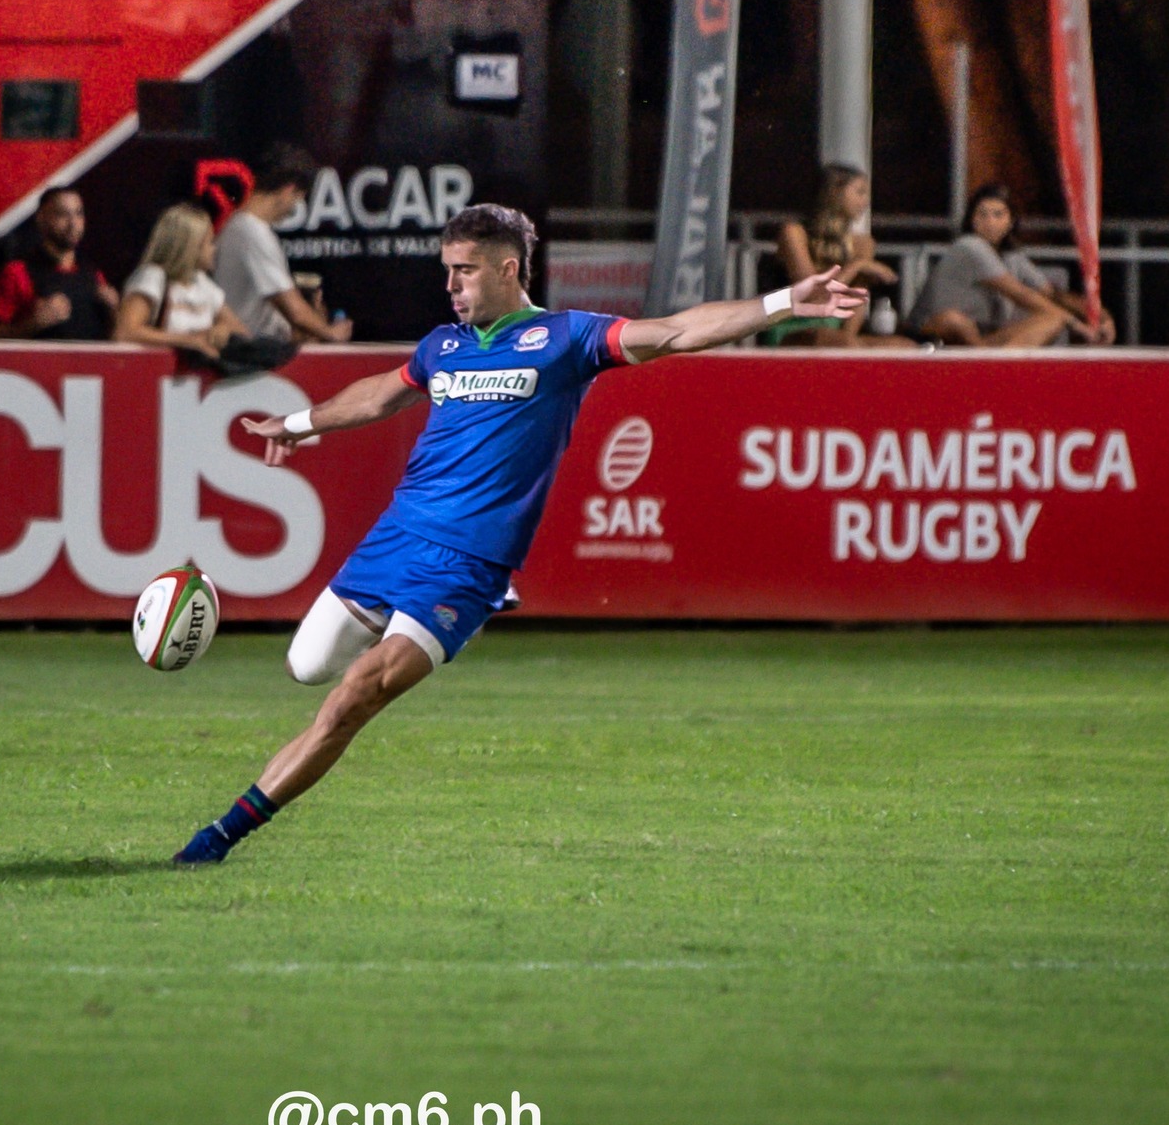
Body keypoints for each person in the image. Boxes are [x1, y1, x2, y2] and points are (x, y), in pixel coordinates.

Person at [171, 202, 863, 865]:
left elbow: (678, 329)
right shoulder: (444, 346)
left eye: (464, 271)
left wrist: (780, 303)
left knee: (352, 699)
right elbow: (383, 392)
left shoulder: (568, 339)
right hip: (392, 541)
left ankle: (219, 835)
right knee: (306, 665)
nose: (450, 286)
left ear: (508, 269)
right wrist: (297, 426)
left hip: (466, 566)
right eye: (446, 270)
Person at [908, 183, 1114, 347]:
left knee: (1053, 319)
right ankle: (994, 369)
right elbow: (1021, 294)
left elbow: (1052, 293)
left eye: (998, 215)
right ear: (971, 220)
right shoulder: (969, 246)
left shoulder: (1013, 256)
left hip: (983, 339)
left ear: (1011, 221)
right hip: (933, 333)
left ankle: (999, 369)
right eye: (982, 214)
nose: (989, 222)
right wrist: (1078, 326)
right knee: (955, 321)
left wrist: (1101, 316)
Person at [214, 144, 354, 346]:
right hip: (251, 358)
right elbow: (295, 311)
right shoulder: (252, 232)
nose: (294, 209)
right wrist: (331, 332)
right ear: (289, 189)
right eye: (298, 198)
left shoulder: (239, 227)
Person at [769, 165, 911, 347]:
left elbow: (857, 301)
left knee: (904, 347)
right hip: (792, 325)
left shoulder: (863, 243)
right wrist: (857, 265)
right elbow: (811, 295)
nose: (866, 201)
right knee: (840, 342)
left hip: (836, 331)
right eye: (860, 192)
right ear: (834, 192)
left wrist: (848, 340)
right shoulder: (794, 232)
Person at [0, 187, 118, 340]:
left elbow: (110, 341)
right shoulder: (18, 272)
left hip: (89, 364)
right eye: (62, 214)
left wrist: (113, 313)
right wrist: (33, 324)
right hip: (36, 364)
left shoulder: (94, 275)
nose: (73, 223)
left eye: (78, 214)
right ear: (41, 218)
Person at [113, 202, 248, 359]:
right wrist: (188, 341)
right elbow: (125, 332)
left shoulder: (201, 283)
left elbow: (242, 332)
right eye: (210, 242)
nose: (215, 249)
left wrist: (222, 329)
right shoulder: (153, 276)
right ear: (191, 245)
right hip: (151, 374)